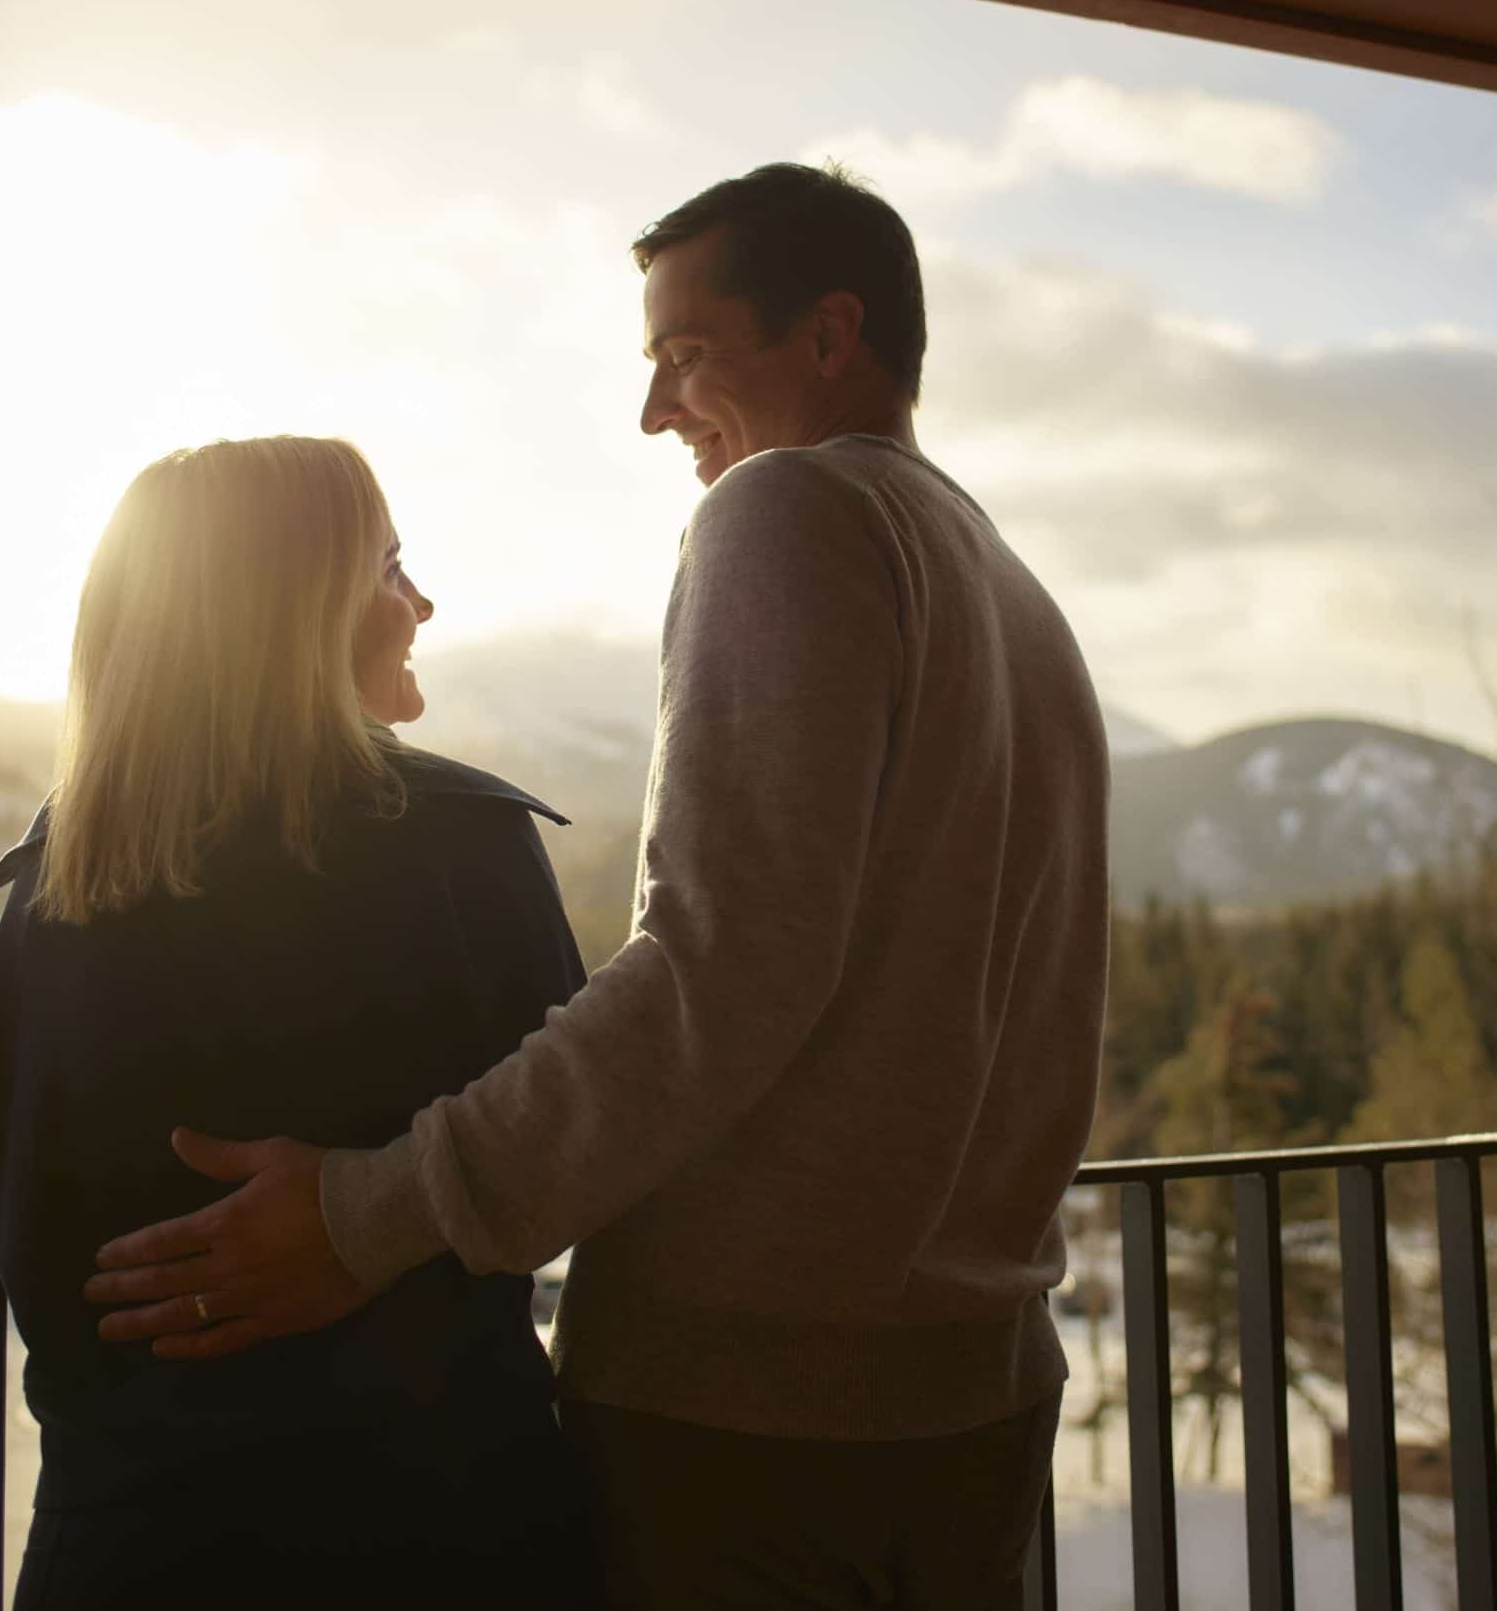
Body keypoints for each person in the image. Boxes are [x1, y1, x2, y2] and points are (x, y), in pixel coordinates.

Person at [86, 166, 1112, 1607]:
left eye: (686, 356)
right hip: (975, 1404)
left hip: (755, 1425)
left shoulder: (787, 510)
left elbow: (722, 967)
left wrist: (365, 1214)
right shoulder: (1016, 595)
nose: (654, 414)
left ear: (831, 335)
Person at [0, 435, 594, 1609]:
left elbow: (23, 1204)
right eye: (390, 568)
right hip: (444, 1534)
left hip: (132, 1541)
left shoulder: (59, 887)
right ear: (302, 611)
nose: (423, 601)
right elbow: (570, 1160)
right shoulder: (461, 851)